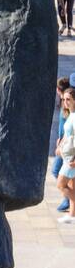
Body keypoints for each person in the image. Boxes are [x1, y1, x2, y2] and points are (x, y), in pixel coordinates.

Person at [52, 77, 71, 212]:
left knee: (56, 170)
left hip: (66, 146)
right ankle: (69, 200)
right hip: (62, 142)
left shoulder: (68, 104)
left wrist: (61, 142)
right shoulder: (64, 102)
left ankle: (69, 198)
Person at [56, 86, 75, 223]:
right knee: (72, 184)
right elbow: (68, 134)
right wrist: (60, 144)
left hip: (71, 159)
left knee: (60, 184)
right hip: (67, 156)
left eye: (68, 99)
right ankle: (72, 215)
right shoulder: (70, 115)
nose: (65, 102)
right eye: (64, 99)